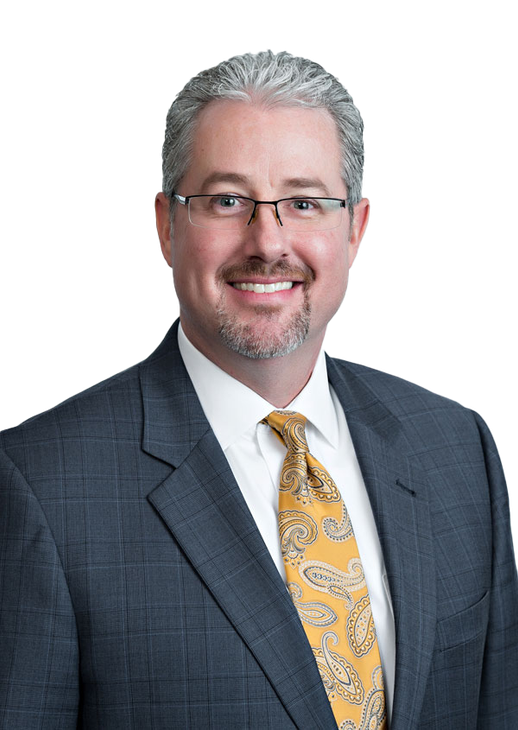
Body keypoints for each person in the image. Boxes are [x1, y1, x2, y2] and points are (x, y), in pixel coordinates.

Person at [0, 50, 516, 730]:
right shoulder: (40, 483)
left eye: (303, 202)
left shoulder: (457, 448)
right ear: (164, 223)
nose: (267, 241)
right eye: (227, 201)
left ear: (357, 227)